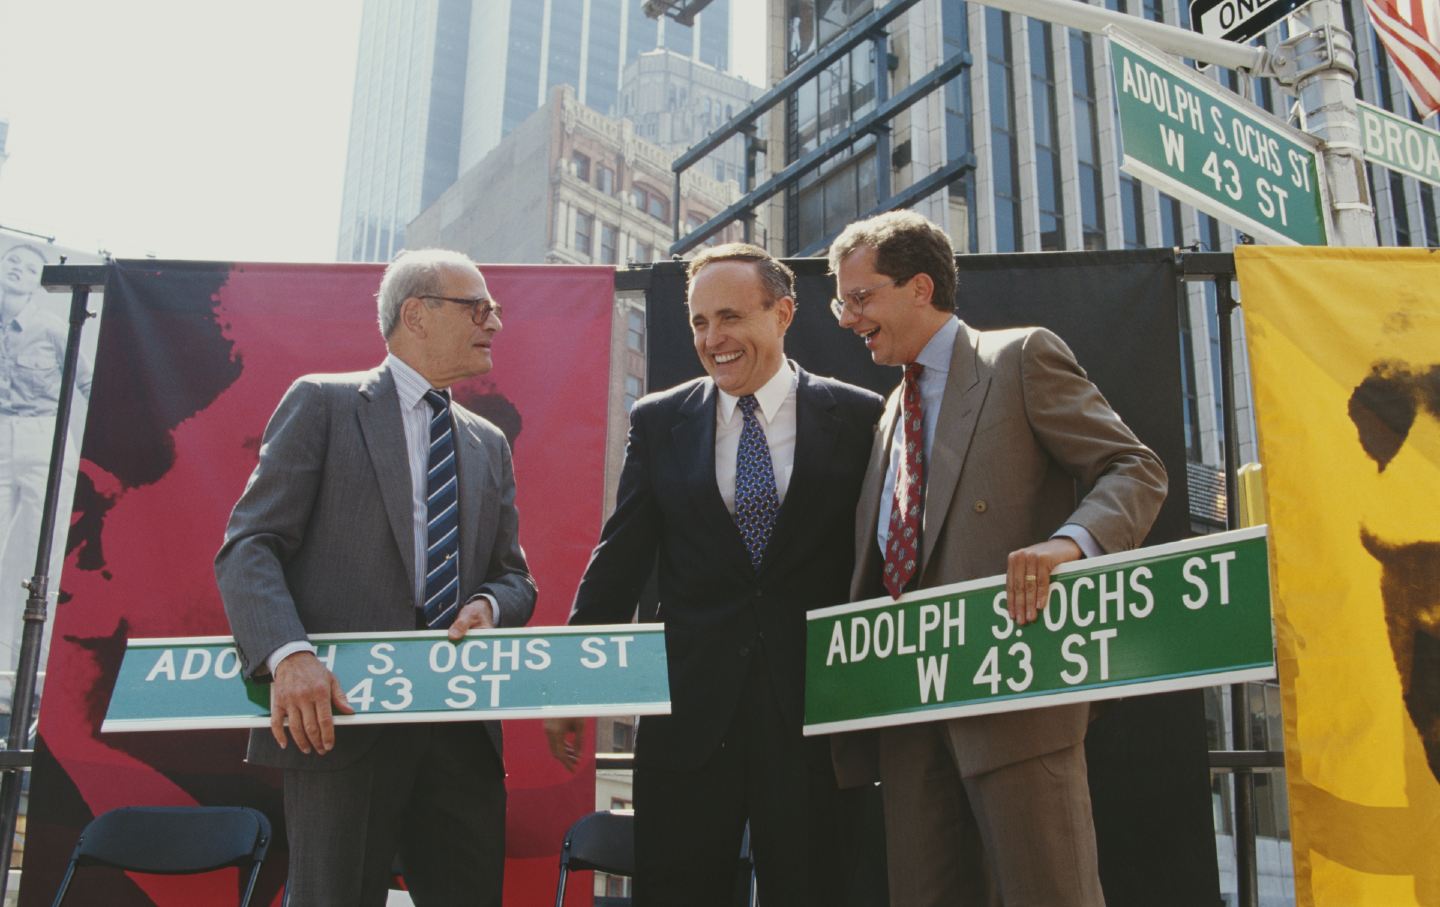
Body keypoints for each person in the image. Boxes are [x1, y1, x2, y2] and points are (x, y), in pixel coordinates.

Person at [828, 211, 1167, 907]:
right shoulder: (891, 411)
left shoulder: (1019, 359)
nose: (847, 318)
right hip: (911, 718)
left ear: (920, 287)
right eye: (841, 301)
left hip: (1016, 701)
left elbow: (1134, 468)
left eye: (860, 298)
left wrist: (1069, 543)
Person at [544, 243, 884, 906]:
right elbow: (619, 560)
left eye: (728, 317)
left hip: (816, 718)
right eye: (699, 322)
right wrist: (570, 682)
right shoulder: (659, 420)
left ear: (782, 312)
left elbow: (885, 561)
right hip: (690, 720)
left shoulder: (861, 417)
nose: (712, 338)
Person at [215, 249, 536, 906]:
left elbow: (514, 578)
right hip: (339, 722)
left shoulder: (488, 443)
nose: (494, 322)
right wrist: (288, 655)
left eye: (494, 309)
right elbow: (250, 545)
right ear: (416, 314)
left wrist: (487, 605)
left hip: (459, 732)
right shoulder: (323, 404)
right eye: (477, 307)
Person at [0, 242, 91, 710]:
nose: (17, 269)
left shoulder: (52, 327)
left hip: (42, 436)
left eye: (28, 265)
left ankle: (33, 675)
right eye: (10, 261)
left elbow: (90, 383)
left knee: (42, 556)